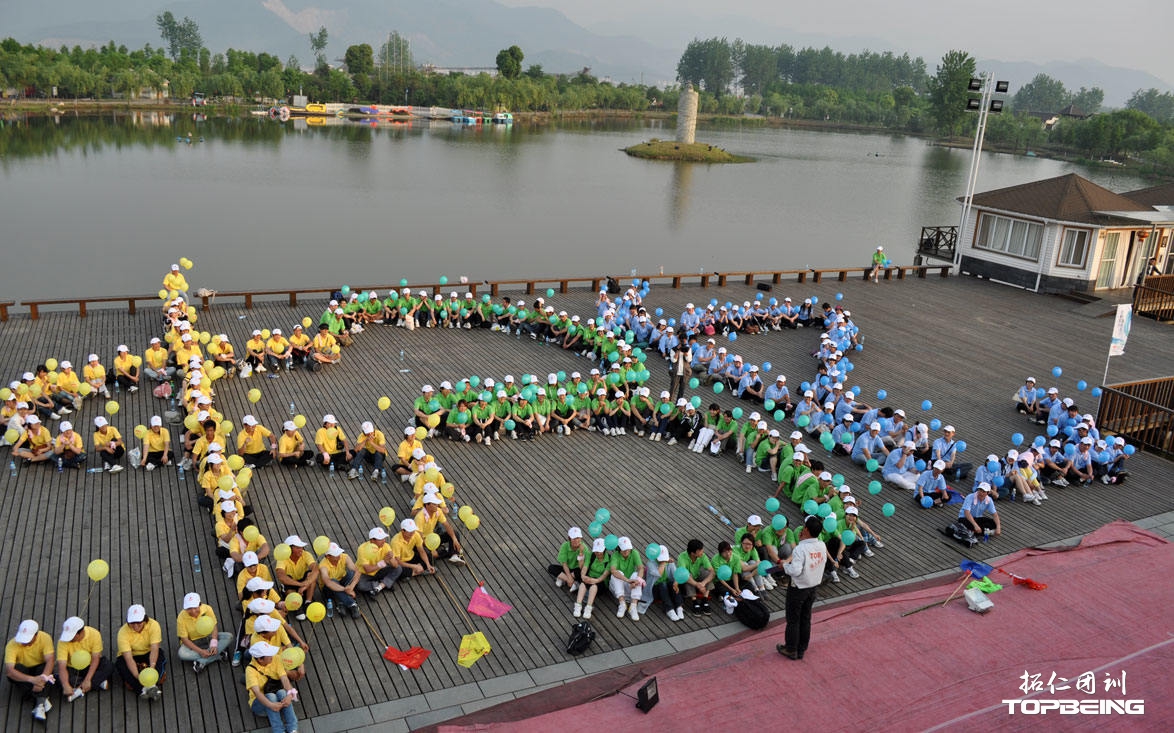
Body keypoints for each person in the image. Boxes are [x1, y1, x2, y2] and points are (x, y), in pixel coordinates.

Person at [777, 515, 828, 660]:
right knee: (805, 618)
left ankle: (791, 648)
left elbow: (795, 571)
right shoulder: (821, 545)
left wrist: (785, 566)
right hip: (813, 587)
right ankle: (802, 648)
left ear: (806, 529)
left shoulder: (801, 549)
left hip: (798, 588)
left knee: (793, 619)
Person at [5, 620, 57, 722]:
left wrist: (41, 680)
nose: (24, 642)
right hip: (24, 672)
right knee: (16, 670)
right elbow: (10, 671)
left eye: (28, 639)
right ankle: (42, 698)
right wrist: (33, 680)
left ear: (36, 635)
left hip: (40, 669)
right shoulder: (11, 645)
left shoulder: (45, 638)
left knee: (45, 669)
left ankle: (37, 699)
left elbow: (50, 660)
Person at [55, 616, 113, 703]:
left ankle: (80, 688)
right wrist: (65, 685)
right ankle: (96, 682)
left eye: (71, 636)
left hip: (90, 665)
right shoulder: (62, 641)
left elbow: (95, 658)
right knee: (61, 679)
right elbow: (62, 666)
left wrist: (87, 679)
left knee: (109, 666)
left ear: (80, 632)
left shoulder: (94, 634)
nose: (68, 639)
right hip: (73, 667)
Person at [245, 641, 299, 733]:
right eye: (269, 655)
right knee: (271, 696)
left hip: (276, 699)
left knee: (283, 692)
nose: (272, 656)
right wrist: (271, 705)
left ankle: (293, 729)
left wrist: (290, 695)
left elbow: (284, 679)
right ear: (260, 660)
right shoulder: (250, 670)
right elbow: (257, 693)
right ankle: (279, 731)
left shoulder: (276, 658)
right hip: (260, 704)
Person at [115, 604, 165, 700]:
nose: (135, 626)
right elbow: (128, 658)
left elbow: (154, 649)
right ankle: (145, 689)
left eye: (139, 622)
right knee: (121, 665)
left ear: (145, 619)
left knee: (160, 659)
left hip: (149, 652)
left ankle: (148, 687)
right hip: (132, 655)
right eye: (132, 623)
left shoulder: (154, 625)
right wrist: (139, 677)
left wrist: (151, 669)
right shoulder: (122, 633)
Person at [176, 593, 232, 673]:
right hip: (192, 642)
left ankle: (202, 661)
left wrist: (213, 643)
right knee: (181, 654)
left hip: (208, 637)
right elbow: (184, 639)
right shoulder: (181, 617)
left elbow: (214, 626)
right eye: (189, 608)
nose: (192, 611)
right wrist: (200, 651)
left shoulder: (207, 609)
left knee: (229, 637)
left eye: (195, 607)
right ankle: (217, 655)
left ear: (200, 604)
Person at [275, 536, 319, 615]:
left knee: (310, 574)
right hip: (291, 583)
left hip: (304, 582)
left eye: (301, 547)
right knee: (287, 580)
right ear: (289, 549)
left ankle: (308, 602)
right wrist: (300, 584)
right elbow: (281, 577)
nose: (301, 549)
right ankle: (297, 607)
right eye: (298, 547)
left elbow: (316, 569)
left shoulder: (306, 554)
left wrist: (305, 585)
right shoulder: (282, 558)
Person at [318, 543, 361, 618]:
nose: (339, 555)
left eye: (339, 553)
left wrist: (351, 587)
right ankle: (352, 604)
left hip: (342, 583)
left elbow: (357, 571)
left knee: (352, 573)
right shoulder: (323, 566)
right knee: (333, 581)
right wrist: (345, 589)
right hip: (328, 590)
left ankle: (341, 602)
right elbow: (328, 583)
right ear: (328, 556)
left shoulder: (344, 557)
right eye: (336, 554)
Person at [356, 527, 402, 596]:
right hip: (364, 574)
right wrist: (384, 562)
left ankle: (378, 587)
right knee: (360, 585)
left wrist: (391, 558)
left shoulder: (386, 546)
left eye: (384, 538)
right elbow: (367, 569)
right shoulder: (362, 549)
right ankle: (383, 584)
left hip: (379, 571)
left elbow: (395, 565)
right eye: (380, 539)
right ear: (372, 540)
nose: (384, 540)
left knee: (398, 569)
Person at [574, 537, 611, 619]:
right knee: (583, 584)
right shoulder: (590, 555)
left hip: (601, 582)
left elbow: (605, 575)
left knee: (594, 586)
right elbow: (585, 567)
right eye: (596, 551)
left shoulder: (609, 559)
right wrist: (583, 576)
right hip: (589, 577)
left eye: (599, 551)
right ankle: (578, 605)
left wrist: (595, 580)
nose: (597, 553)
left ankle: (588, 607)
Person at [609, 537, 645, 621]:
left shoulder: (634, 552)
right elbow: (613, 571)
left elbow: (641, 568)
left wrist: (637, 580)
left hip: (630, 586)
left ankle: (633, 606)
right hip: (618, 588)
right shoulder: (615, 555)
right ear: (618, 549)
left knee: (637, 575)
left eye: (628, 549)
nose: (626, 551)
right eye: (624, 549)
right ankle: (622, 603)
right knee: (617, 573)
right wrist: (628, 580)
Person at [677, 539, 715, 616]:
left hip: (698, 576)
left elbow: (712, 571)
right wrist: (697, 584)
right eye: (700, 550)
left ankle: (705, 600)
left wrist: (703, 583)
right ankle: (694, 602)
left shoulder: (702, 556)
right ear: (693, 553)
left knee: (708, 573)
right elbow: (683, 574)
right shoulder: (682, 557)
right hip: (688, 579)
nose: (702, 551)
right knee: (687, 575)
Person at [547, 526, 585, 591]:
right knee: (551, 567)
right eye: (574, 538)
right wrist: (569, 578)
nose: (576, 540)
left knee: (582, 572)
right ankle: (573, 582)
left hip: (577, 570)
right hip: (567, 568)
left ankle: (562, 578)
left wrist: (581, 553)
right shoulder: (565, 546)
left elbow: (581, 567)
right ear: (569, 539)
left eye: (578, 538)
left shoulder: (584, 548)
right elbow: (564, 564)